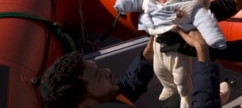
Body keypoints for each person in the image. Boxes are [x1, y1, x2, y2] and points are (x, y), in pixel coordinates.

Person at [113, 0, 227, 107]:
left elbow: (205, 20)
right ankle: (168, 87)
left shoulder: (189, 6)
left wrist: (215, 39)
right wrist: (123, 4)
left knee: (181, 76)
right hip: (157, 46)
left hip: (177, 51)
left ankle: (186, 96)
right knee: (158, 70)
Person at [39, 34, 225, 108]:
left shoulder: (101, 99)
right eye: (98, 76)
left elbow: (125, 88)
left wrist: (148, 53)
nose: (108, 71)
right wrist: (202, 49)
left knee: (185, 95)